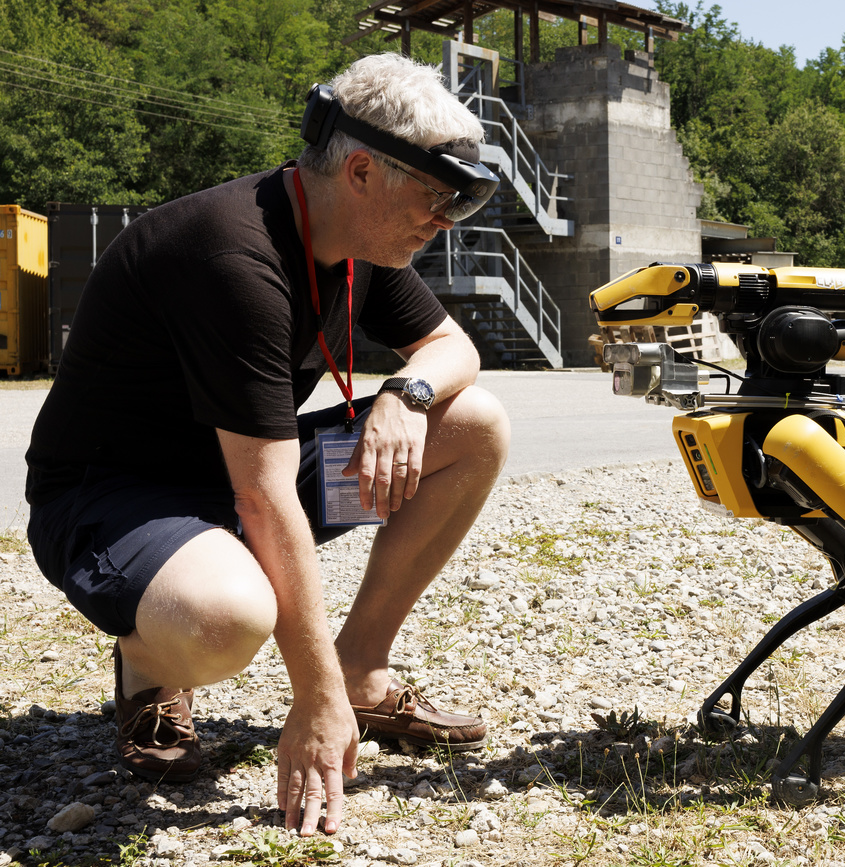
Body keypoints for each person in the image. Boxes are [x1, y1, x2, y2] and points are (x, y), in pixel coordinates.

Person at [24, 53, 510, 836]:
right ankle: (151, 665)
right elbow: (264, 495)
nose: (445, 219)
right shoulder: (234, 255)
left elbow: (454, 349)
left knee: (474, 424)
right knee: (226, 618)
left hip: (231, 481)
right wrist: (308, 704)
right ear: (361, 171)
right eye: (436, 196)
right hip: (113, 501)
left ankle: (360, 670)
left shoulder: (358, 241)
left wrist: (403, 393)